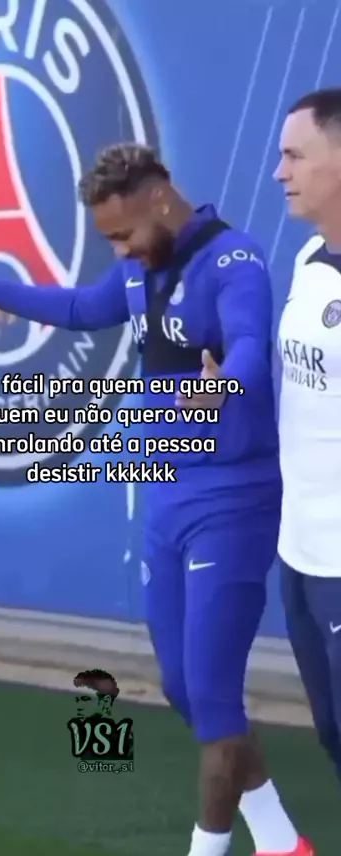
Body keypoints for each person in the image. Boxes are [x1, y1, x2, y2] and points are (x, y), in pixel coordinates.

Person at [0, 143, 312, 856]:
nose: (118, 251)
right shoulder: (138, 271)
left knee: (214, 701)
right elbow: (75, 307)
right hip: (165, 499)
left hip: (232, 502)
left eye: (122, 234)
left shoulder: (233, 262)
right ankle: (280, 840)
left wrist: (223, 384)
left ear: (159, 199)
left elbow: (248, 343)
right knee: (184, 689)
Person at [274, 87, 341, 787]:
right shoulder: (309, 258)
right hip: (299, 551)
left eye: (295, 155)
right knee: (331, 734)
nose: (279, 171)